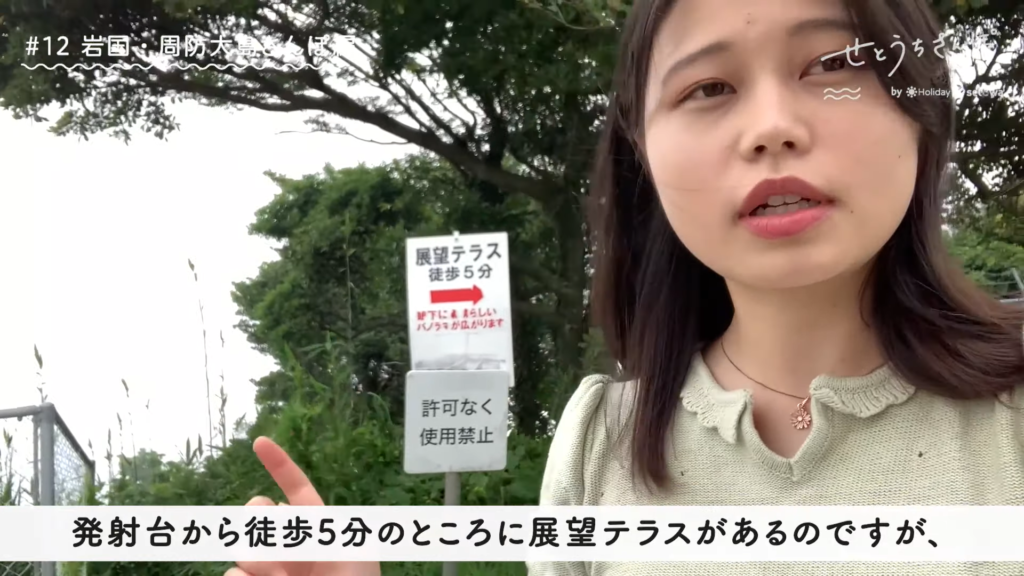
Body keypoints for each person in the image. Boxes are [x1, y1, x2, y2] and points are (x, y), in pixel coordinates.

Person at [226, 0, 1024, 574]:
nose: (771, 127)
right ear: (644, 150)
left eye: (834, 64)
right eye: (708, 88)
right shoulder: (600, 439)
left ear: (925, 108)